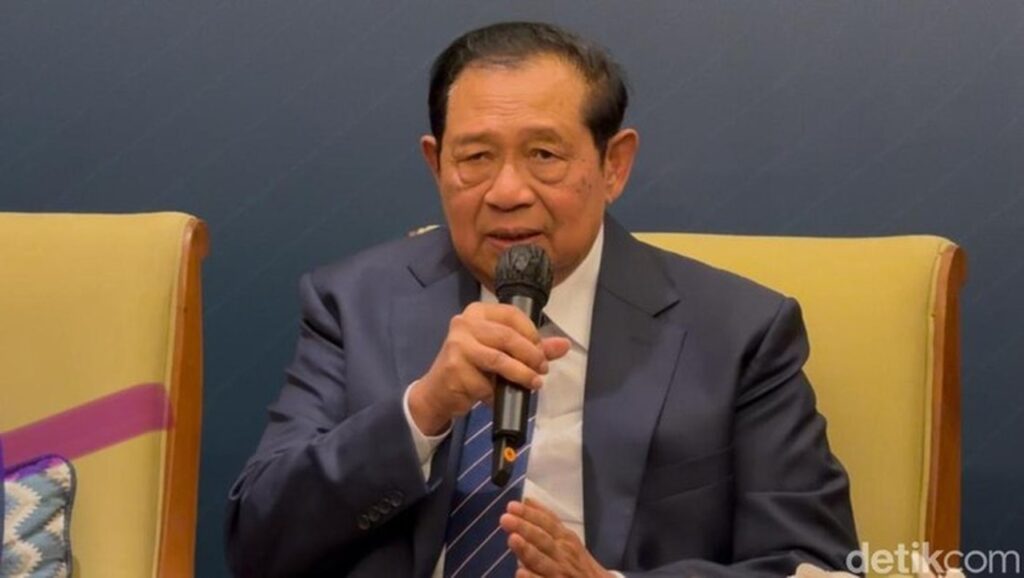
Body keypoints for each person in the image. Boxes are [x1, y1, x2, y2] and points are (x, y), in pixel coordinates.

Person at [225, 21, 858, 577]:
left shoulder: (740, 333)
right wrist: (422, 411)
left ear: (614, 165)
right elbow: (258, 544)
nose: (507, 192)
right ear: (436, 164)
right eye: (476, 157)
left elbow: (816, 564)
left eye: (544, 155)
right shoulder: (351, 303)